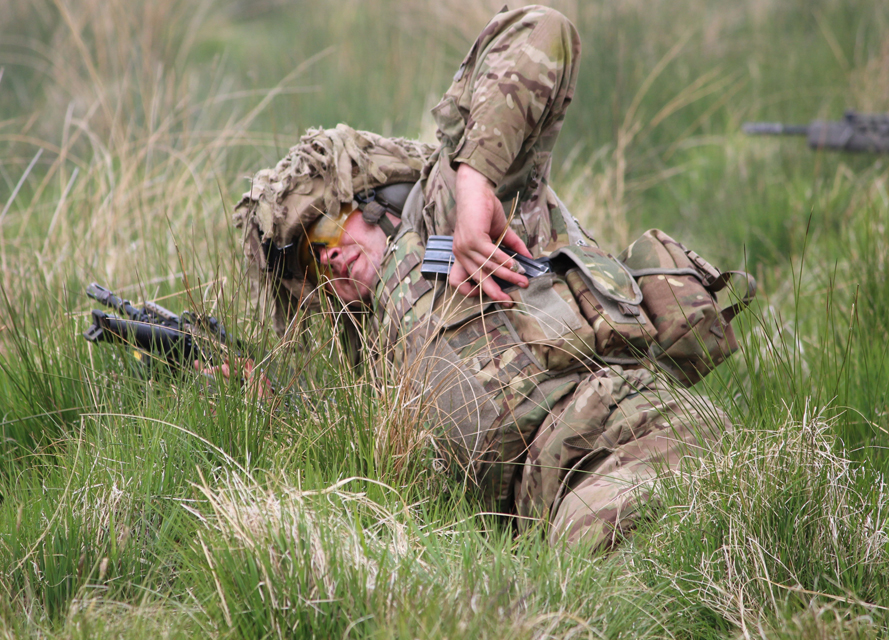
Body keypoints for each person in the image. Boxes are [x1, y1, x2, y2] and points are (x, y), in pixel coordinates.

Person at [233, 6, 746, 551]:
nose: (330, 256)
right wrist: (264, 396)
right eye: (311, 259)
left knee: (626, 572)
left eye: (331, 227)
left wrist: (476, 184)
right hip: (541, 515)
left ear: (374, 198)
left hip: (624, 436)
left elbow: (544, 31)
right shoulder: (369, 367)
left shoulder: (443, 209)